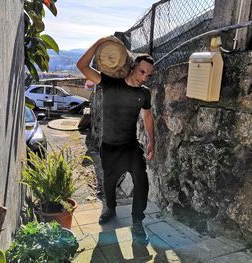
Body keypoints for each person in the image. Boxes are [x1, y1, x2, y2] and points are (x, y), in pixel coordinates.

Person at [76, 36, 155, 245]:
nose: (145, 77)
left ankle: (137, 220)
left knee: (141, 177)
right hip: (110, 146)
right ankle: (110, 207)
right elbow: (81, 66)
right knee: (108, 183)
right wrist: (100, 42)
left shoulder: (144, 93)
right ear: (132, 67)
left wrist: (151, 141)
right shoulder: (110, 84)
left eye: (148, 74)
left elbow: (147, 116)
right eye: (142, 71)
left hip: (130, 145)